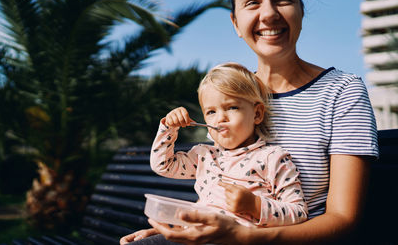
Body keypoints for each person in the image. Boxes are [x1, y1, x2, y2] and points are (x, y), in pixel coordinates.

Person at [121, 0, 379, 244]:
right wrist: (183, 231)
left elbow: (343, 220)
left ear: (301, 10)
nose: (268, 14)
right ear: (235, 23)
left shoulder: (342, 91)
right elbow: (216, 187)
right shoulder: (230, 97)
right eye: (252, 2)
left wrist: (243, 237)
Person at [121, 63, 308, 244]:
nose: (220, 118)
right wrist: (168, 128)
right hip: (192, 236)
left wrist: (255, 205)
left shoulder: (272, 158)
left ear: (257, 114)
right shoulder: (204, 155)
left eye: (232, 107)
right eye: (211, 112)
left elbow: (298, 212)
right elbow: (163, 165)